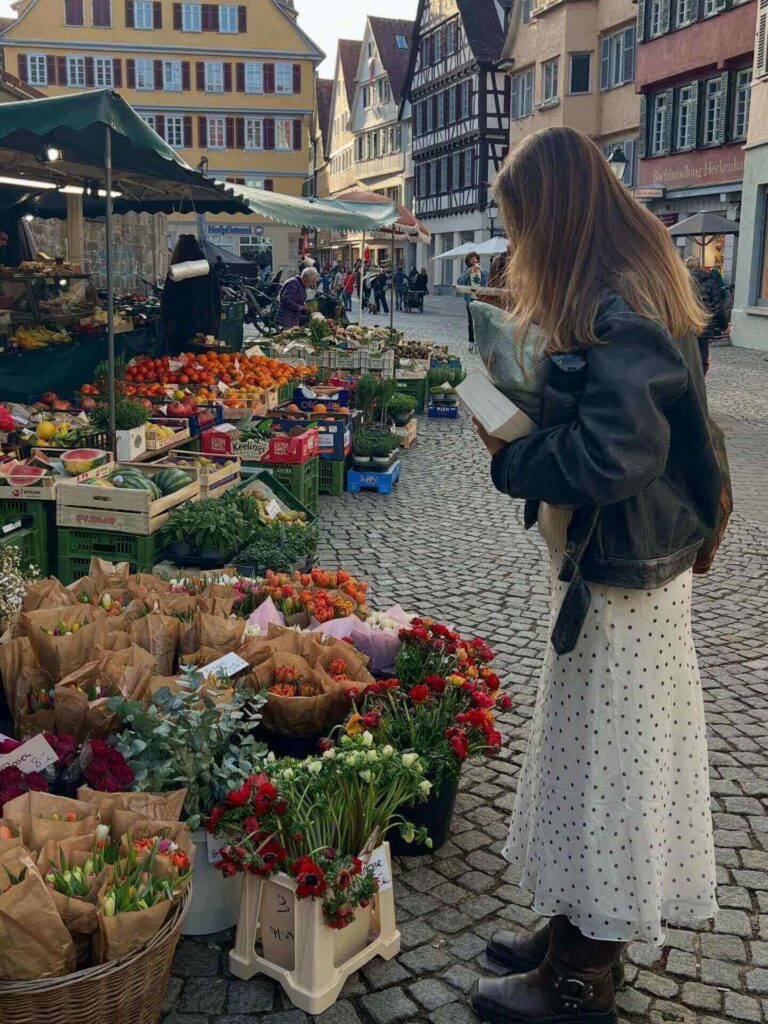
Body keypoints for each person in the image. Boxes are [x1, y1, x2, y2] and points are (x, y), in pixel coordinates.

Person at [470, 126, 726, 1024]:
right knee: (594, 758)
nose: (517, 248)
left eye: (521, 227)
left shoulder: (619, 307)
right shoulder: (630, 290)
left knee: (609, 766)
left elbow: (615, 455)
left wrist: (515, 454)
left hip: (622, 583)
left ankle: (580, 978)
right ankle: (579, 925)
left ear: (557, 218)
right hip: (623, 576)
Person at [160, 234, 221, 355]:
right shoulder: (208, 269)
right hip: (206, 324)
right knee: (206, 364)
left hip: (180, 328)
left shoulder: (176, 272)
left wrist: (167, 321)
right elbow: (216, 297)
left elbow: (167, 301)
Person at [686, 256, 724, 375]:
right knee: (702, 357)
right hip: (704, 325)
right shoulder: (710, 282)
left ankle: (688, 379)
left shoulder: (681, 282)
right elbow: (717, 306)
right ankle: (700, 381)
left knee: (686, 355)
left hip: (686, 326)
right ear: (700, 266)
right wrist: (723, 325)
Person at [457, 251, 488, 350]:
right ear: (468, 261)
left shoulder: (483, 272)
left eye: (475, 258)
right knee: (471, 321)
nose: (474, 260)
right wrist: (468, 272)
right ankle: (471, 341)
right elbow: (459, 281)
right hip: (470, 300)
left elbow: (488, 283)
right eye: (471, 259)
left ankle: (480, 342)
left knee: (480, 321)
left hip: (481, 299)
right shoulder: (466, 272)